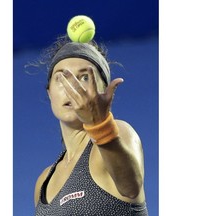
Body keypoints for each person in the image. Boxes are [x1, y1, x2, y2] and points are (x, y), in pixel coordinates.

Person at [33, 35, 148, 215]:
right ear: (49, 93)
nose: (73, 87)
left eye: (84, 77)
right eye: (61, 78)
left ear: (103, 92)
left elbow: (130, 186)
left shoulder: (118, 133)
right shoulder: (43, 182)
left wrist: (99, 125)